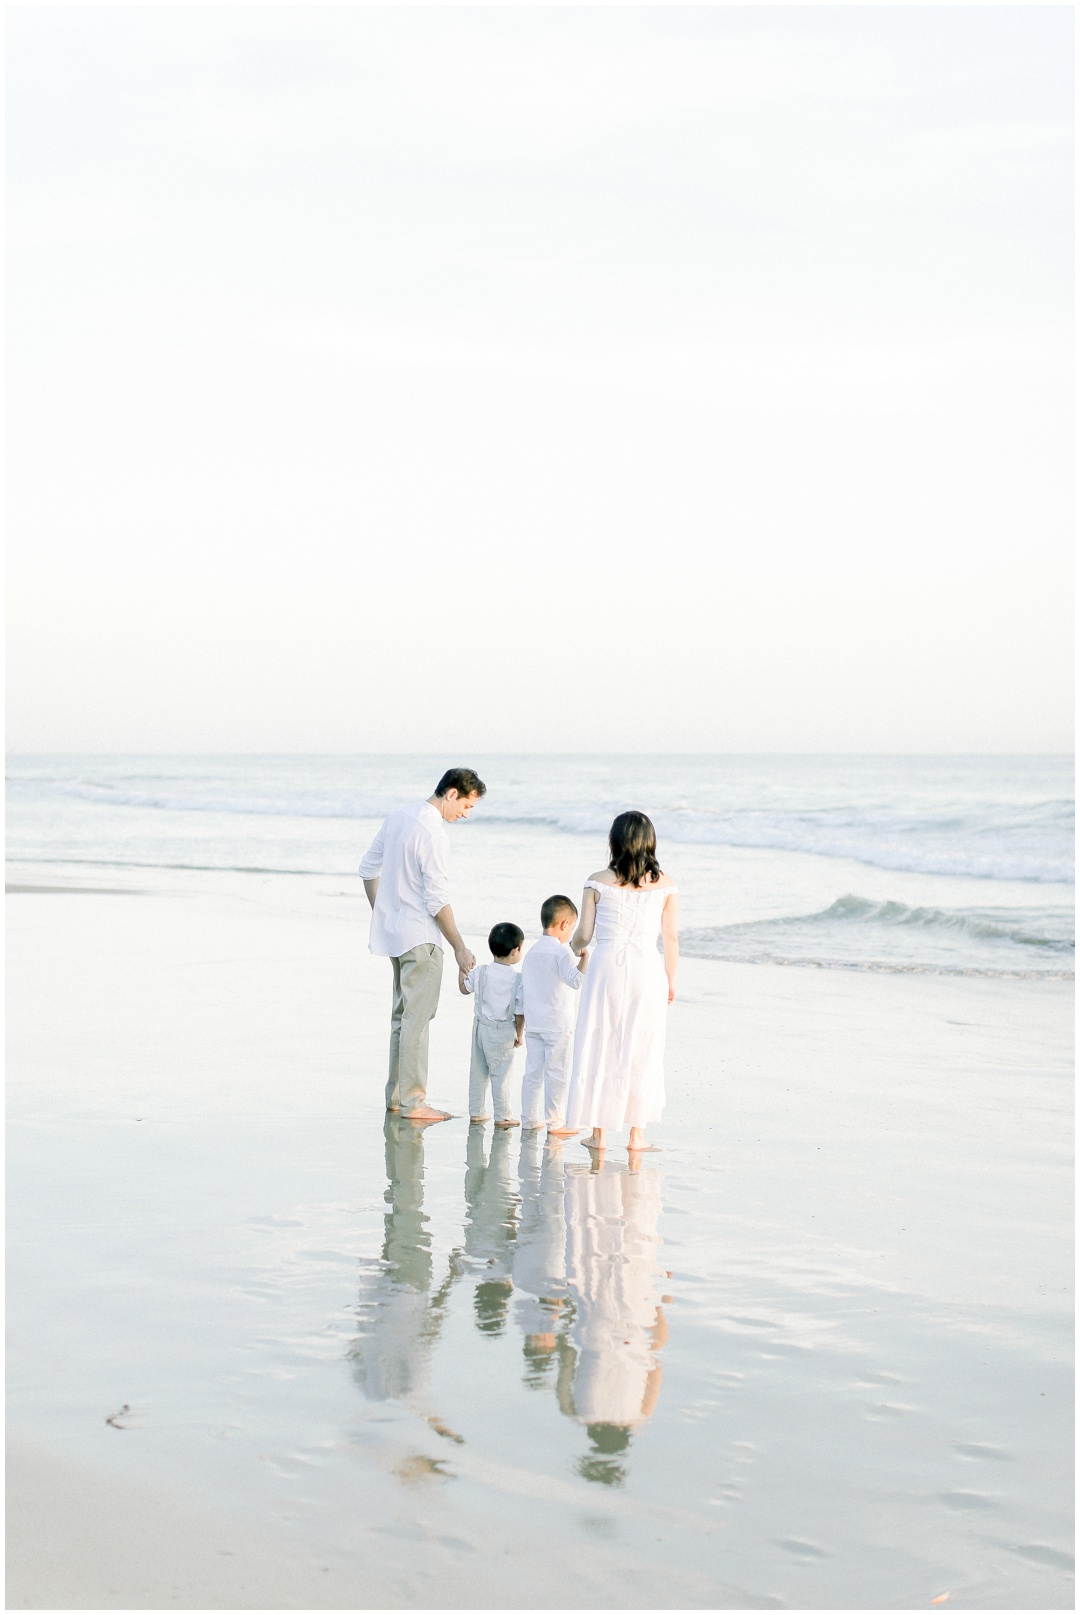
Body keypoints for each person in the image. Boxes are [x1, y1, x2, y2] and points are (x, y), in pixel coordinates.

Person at [359, 767, 485, 1122]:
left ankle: (397, 1097)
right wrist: (459, 946)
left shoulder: (398, 818)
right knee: (417, 1019)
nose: (466, 814)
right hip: (422, 941)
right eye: (466, 805)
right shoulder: (434, 834)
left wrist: (383, 912)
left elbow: (368, 869)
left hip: (397, 936)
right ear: (450, 793)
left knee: (403, 1017)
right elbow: (436, 901)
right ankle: (415, 1103)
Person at [564, 811, 678, 1154]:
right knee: (643, 1045)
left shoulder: (597, 881)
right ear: (650, 842)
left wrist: (573, 948)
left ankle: (598, 1136)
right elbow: (670, 938)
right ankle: (636, 1136)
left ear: (615, 841)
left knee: (601, 1042)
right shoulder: (666, 884)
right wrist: (671, 981)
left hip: (606, 968)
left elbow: (584, 934)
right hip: (647, 969)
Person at [519, 895, 588, 1137]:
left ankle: (528, 1119)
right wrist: (585, 960)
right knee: (556, 1072)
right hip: (557, 1025)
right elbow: (575, 981)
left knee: (533, 1072)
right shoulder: (562, 953)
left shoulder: (531, 953)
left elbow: (525, 989)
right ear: (564, 925)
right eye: (572, 928)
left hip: (535, 1023)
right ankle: (555, 1122)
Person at [460, 922, 525, 1127]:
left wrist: (463, 969)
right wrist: (519, 1034)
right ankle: (503, 1115)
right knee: (501, 1074)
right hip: (503, 1030)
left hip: (480, 1027)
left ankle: (476, 1111)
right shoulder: (517, 979)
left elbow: (464, 988)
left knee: (478, 1070)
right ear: (516, 951)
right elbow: (519, 1012)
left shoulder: (480, 972)